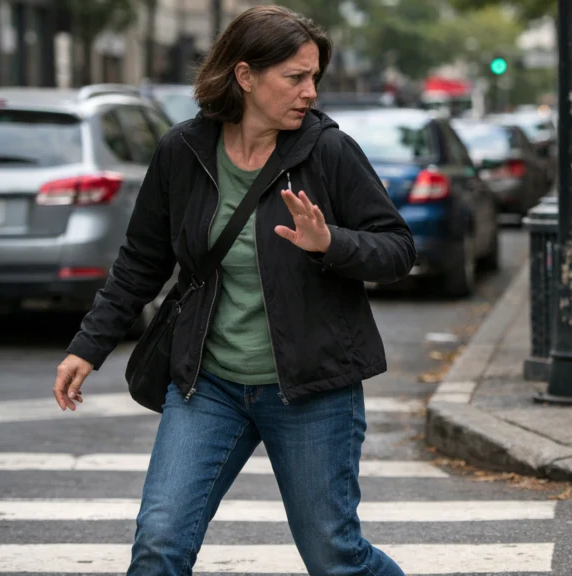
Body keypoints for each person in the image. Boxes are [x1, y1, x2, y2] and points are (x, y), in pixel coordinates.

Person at [50, 6, 416, 575]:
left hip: (312, 388)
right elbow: (142, 261)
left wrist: (331, 243)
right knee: (159, 545)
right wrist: (87, 345)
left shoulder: (328, 151)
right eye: (295, 77)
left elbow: (396, 249)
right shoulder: (184, 151)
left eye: (314, 77)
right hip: (209, 385)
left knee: (335, 556)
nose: (309, 92)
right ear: (245, 76)